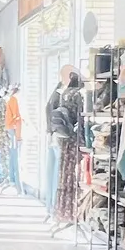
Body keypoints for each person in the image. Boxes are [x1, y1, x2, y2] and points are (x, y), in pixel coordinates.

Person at [47, 66, 85, 227]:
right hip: (75, 141)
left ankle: (61, 211)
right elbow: (82, 118)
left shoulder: (63, 94)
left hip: (62, 140)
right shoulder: (78, 95)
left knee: (62, 176)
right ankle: (73, 213)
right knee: (74, 176)